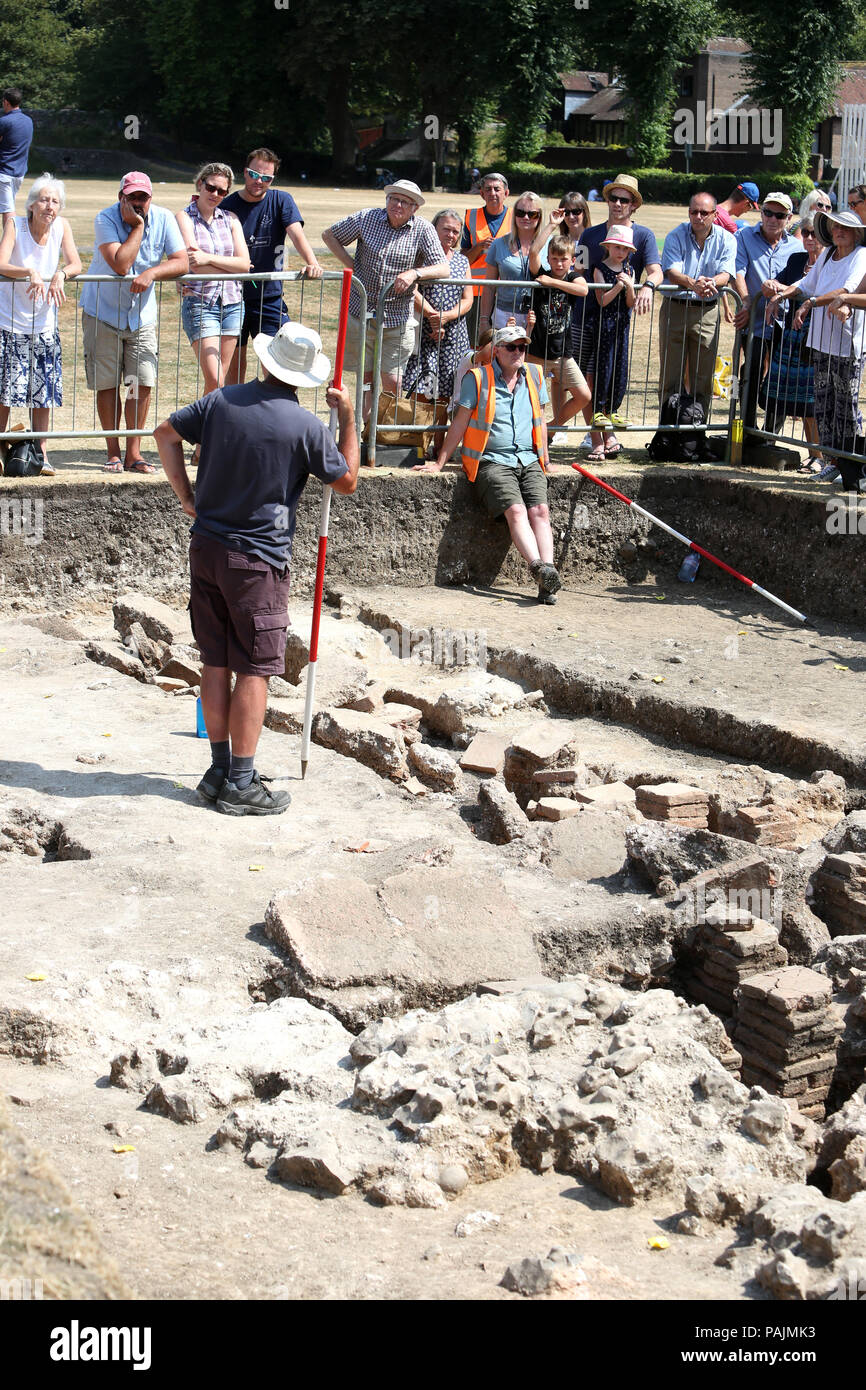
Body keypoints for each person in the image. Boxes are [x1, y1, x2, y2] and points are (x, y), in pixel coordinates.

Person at [154, 320, 359, 814]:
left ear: (266, 361)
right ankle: (242, 783)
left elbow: (163, 433)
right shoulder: (306, 427)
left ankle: (219, 769)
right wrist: (349, 418)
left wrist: (187, 495)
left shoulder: (221, 402)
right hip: (257, 561)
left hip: (206, 549)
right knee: (253, 669)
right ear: (304, 376)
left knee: (215, 660)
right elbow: (348, 480)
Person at [413, 323, 561, 605]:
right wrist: (439, 462)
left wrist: (547, 460)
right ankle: (539, 569)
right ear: (496, 351)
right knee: (516, 511)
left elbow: (540, 420)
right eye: (512, 347)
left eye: (522, 347)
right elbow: (460, 423)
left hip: (529, 458)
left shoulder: (535, 375)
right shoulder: (477, 378)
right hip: (492, 461)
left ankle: (548, 578)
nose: (519, 352)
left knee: (540, 510)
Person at [79, 172, 188, 473]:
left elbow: (182, 261)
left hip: (141, 316)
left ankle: (134, 453)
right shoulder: (105, 218)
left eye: (144, 197)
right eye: (133, 197)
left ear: (151, 197)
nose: (139, 202)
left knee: (139, 382)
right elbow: (121, 263)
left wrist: (152, 273)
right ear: (121, 198)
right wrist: (138, 227)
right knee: (108, 383)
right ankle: (113, 452)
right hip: (103, 311)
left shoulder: (165, 218)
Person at [322, 180, 448, 421]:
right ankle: (365, 430)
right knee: (366, 379)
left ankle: (384, 432)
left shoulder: (422, 229)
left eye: (405, 202)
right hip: (362, 314)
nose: (398, 205)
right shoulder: (367, 218)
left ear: (415, 208)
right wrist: (351, 266)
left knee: (393, 380)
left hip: (398, 319)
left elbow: (443, 268)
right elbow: (329, 235)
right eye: (394, 198)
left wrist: (415, 273)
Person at [766, 208, 866, 488]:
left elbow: (843, 291)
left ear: (857, 232)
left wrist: (810, 303)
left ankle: (856, 467)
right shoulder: (827, 256)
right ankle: (834, 463)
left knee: (846, 408)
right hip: (821, 344)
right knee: (823, 408)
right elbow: (806, 284)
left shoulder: (860, 256)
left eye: (845, 227)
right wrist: (784, 293)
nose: (839, 231)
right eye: (835, 227)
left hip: (847, 345)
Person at [575, 175, 662, 455]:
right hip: (586, 317)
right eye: (613, 198)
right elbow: (577, 271)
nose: (617, 204)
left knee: (611, 375)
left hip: (617, 323)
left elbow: (656, 270)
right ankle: (597, 437)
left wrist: (647, 286)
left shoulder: (644, 235)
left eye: (624, 199)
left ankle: (606, 435)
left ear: (634, 205)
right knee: (588, 379)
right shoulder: (590, 235)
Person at [0, 174, 81, 474]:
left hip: (45, 324)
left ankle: (41, 452)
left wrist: (61, 274)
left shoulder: (62, 227)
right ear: (32, 203)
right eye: (45, 199)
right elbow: (1, 262)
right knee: (5, 390)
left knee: (42, 392)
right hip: (10, 322)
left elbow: (76, 263)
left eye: (55, 201)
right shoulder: (15, 225)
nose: (50, 206)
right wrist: (29, 271)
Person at [222, 148, 322, 385]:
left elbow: (296, 234)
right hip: (233, 297)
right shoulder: (227, 205)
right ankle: (234, 416)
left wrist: (312, 262)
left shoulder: (281, 200)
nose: (259, 181)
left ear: (273, 179)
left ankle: (273, 413)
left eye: (266, 178)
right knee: (234, 364)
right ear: (245, 172)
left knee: (277, 365)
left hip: (269, 297)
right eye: (255, 174)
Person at [658, 192, 736, 432]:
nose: (698, 217)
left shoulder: (727, 239)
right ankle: (667, 431)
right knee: (671, 375)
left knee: (703, 376)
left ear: (714, 214)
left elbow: (727, 273)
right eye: (694, 212)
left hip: (707, 311)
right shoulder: (676, 235)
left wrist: (711, 282)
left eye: (704, 213)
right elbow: (671, 271)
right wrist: (694, 283)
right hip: (675, 308)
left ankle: (696, 431)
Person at [176, 163, 251, 395]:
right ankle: (202, 428)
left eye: (222, 191)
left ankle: (208, 429)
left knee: (217, 383)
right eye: (211, 187)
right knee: (216, 379)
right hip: (200, 303)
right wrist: (232, 267)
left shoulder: (231, 219)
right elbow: (194, 264)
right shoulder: (184, 217)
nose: (215, 194)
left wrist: (208, 257)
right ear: (200, 184)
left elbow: (245, 265)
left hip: (233, 303)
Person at [757, 216, 822, 473]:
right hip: (792, 336)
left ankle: (818, 456)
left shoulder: (827, 261)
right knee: (781, 392)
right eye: (805, 232)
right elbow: (775, 287)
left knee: (810, 402)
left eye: (815, 233)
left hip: (816, 336)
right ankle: (769, 442)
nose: (809, 238)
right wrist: (769, 285)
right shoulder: (797, 259)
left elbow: (810, 291)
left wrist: (781, 291)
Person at [732, 192, 799, 431]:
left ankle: (772, 432)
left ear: (789, 218)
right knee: (751, 370)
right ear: (760, 212)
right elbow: (738, 272)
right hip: (754, 322)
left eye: (779, 215)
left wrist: (780, 289)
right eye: (768, 212)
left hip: (785, 323)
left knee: (782, 377)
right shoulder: (743, 237)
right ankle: (748, 429)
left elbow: (801, 283)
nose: (772, 219)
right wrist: (748, 303)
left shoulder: (797, 247)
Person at [402, 208, 472, 405]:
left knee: (446, 393)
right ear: (434, 229)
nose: (451, 235)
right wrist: (434, 318)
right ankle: (418, 435)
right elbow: (412, 290)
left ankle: (440, 436)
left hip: (453, 335)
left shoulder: (462, 260)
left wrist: (445, 317)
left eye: (455, 231)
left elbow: (468, 299)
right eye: (446, 229)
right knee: (419, 390)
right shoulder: (420, 257)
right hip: (424, 333)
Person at [527, 232, 590, 434]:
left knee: (583, 395)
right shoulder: (541, 274)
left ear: (572, 261)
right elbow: (533, 252)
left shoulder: (572, 278)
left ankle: (550, 428)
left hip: (563, 352)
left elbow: (583, 290)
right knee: (533, 400)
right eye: (554, 259)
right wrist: (551, 225)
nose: (559, 264)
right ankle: (534, 437)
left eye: (564, 259)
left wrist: (553, 283)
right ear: (548, 259)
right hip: (537, 352)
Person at [588, 226, 637, 459]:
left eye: (625, 248)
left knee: (620, 368)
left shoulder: (630, 269)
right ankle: (599, 408)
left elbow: (631, 302)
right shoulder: (600, 269)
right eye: (617, 247)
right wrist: (619, 285)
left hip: (621, 326)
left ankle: (614, 408)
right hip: (604, 325)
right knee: (604, 368)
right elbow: (603, 300)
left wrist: (630, 286)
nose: (621, 252)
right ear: (608, 246)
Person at [482, 191, 544, 332]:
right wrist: (484, 320)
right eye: (520, 213)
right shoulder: (499, 244)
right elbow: (489, 287)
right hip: (504, 315)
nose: (525, 217)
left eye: (532, 214)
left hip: (539, 316)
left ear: (540, 216)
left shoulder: (550, 244)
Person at [461, 172, 512, 341]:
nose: (492, 193)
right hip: (476, 292)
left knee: (504, 343)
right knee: (476, 342)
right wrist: (479, 247)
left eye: (497, 189)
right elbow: (463, 260)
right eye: (488, 189)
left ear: (506, 193)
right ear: (481, 194)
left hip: (506, 292)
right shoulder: (471, 217)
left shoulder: (516, 218)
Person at [531, 193, 592, 271]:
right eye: (566, 213)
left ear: (585, 212)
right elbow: (533, 252)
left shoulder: (593, 239)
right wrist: (552, 224)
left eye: (576, 211)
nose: (571, 216)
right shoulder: (557, 242)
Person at [0, 89, 33, 229]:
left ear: (6, 102)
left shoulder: (4, 121)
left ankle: (10, 245)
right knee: (7, 207)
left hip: (4, 172)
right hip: (19, 172)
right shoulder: (28, 121)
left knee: (8, 211)